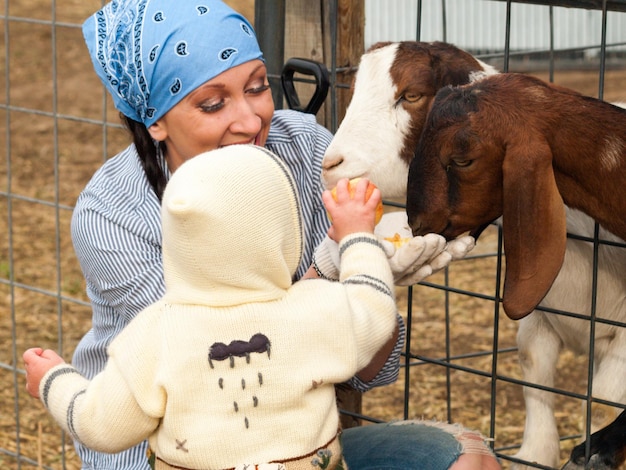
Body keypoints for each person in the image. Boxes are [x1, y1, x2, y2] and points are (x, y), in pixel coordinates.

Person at [38, 0, 499, 468]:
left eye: (258, 88)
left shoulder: (304, 148)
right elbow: (214, 361)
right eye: (213, 103)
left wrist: (376, 279)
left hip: (300, 447)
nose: (251, 121)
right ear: (154, 120)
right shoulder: (113, 216)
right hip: (171, 454)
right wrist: (334, 264)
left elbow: (366, 370)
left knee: (470, 461)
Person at [23, 144, 400, 470]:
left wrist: (53, 381)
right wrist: (356, 237)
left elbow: (100, 425)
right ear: (283, 236)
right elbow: (374, 308)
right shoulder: (314, 309)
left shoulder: (155, 332)